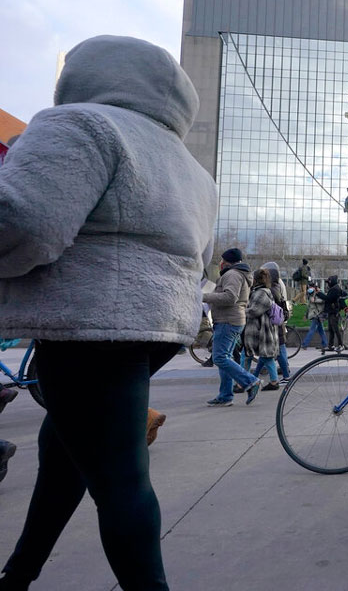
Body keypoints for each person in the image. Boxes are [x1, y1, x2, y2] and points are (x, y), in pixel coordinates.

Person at [0, 35, 216, 589]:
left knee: (120, 481)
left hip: (88, 321)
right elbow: (202, 258)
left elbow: (23, 222)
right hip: (156, 327)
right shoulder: (190, 168)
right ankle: (19, 573)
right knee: (66, 449)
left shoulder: (83, 124)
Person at [204, 248, 261, 407]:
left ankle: (251, 381)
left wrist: (203, 296)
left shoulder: (232, 274)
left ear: (227, 261)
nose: (220, 263)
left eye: (222, 260)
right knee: (225, 358)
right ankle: (225, 396)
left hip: (228, 321)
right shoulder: (237, 274)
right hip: (231, 320)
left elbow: (230, 297)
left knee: (219, 358)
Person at [241, 268, 279, 396]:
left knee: (248, 355)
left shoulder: (261, 293)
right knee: (263, 357)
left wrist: (241, 311)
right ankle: (272, 381)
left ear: (256, 279)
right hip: (260, 329)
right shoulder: (261, 291)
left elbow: (254, 310)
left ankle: (243, 382)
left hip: (259, 330)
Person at [318, 275, 346, 351]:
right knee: (331, 329)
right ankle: (331, 345)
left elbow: (328, 299)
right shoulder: (335, 288)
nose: (328, 284)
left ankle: (340, 344)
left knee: (335, 329)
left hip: (334, 312)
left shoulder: (335, 289)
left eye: (329, 282)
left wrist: (319, 293)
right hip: (332, 311)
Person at [301, 281, 329, 350]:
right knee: (321, 330)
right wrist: (306, 314)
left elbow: (324, 300)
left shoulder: (319, 293)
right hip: (315, 314)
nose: (310, 288)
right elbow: (309, 306)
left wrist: (315, 300)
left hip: (317, 314)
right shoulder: (310, 295)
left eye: (311, 287)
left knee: (312, 330)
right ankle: (325, 343)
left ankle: (305, 344)